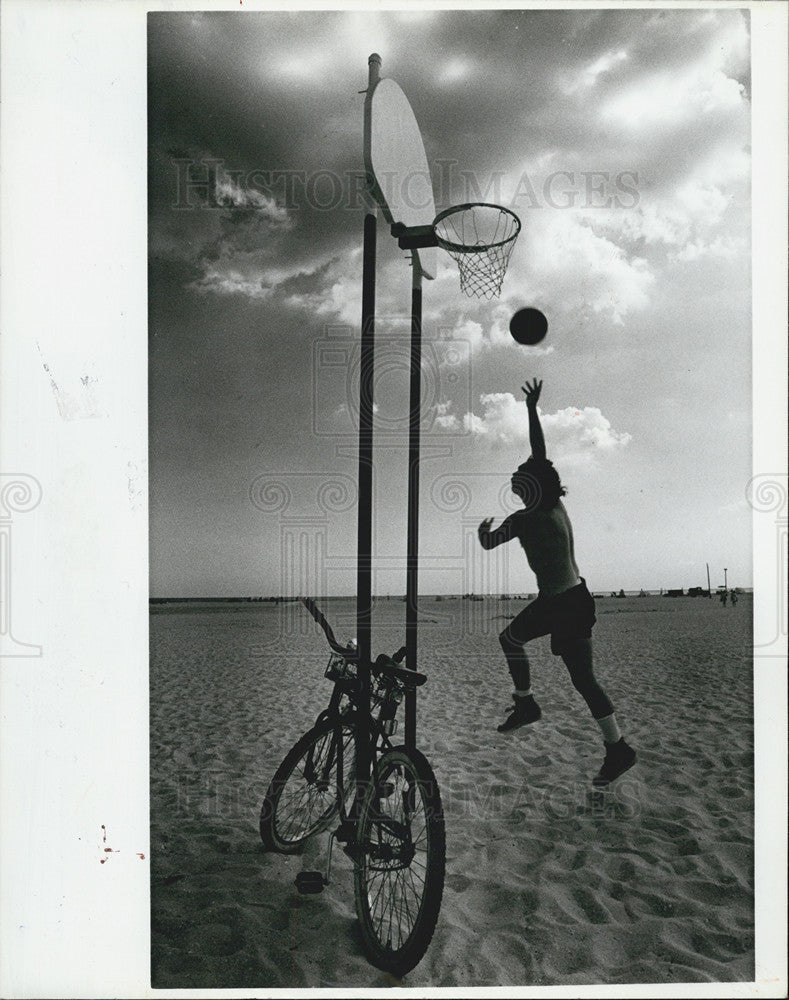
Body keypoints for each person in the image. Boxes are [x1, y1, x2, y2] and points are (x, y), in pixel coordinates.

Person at [477, 379, 636, 787]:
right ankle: (529, 706)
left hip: (567, 603)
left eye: (519, 473)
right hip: (563, 599)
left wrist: (482, 533)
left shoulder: (533, 514)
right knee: (511, 640)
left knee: (582, 678)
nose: (513, 475)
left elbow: (538, 455)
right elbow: (539, 455)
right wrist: (530, 409)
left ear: (533, 483)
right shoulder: (540, 510)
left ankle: (615, 748)